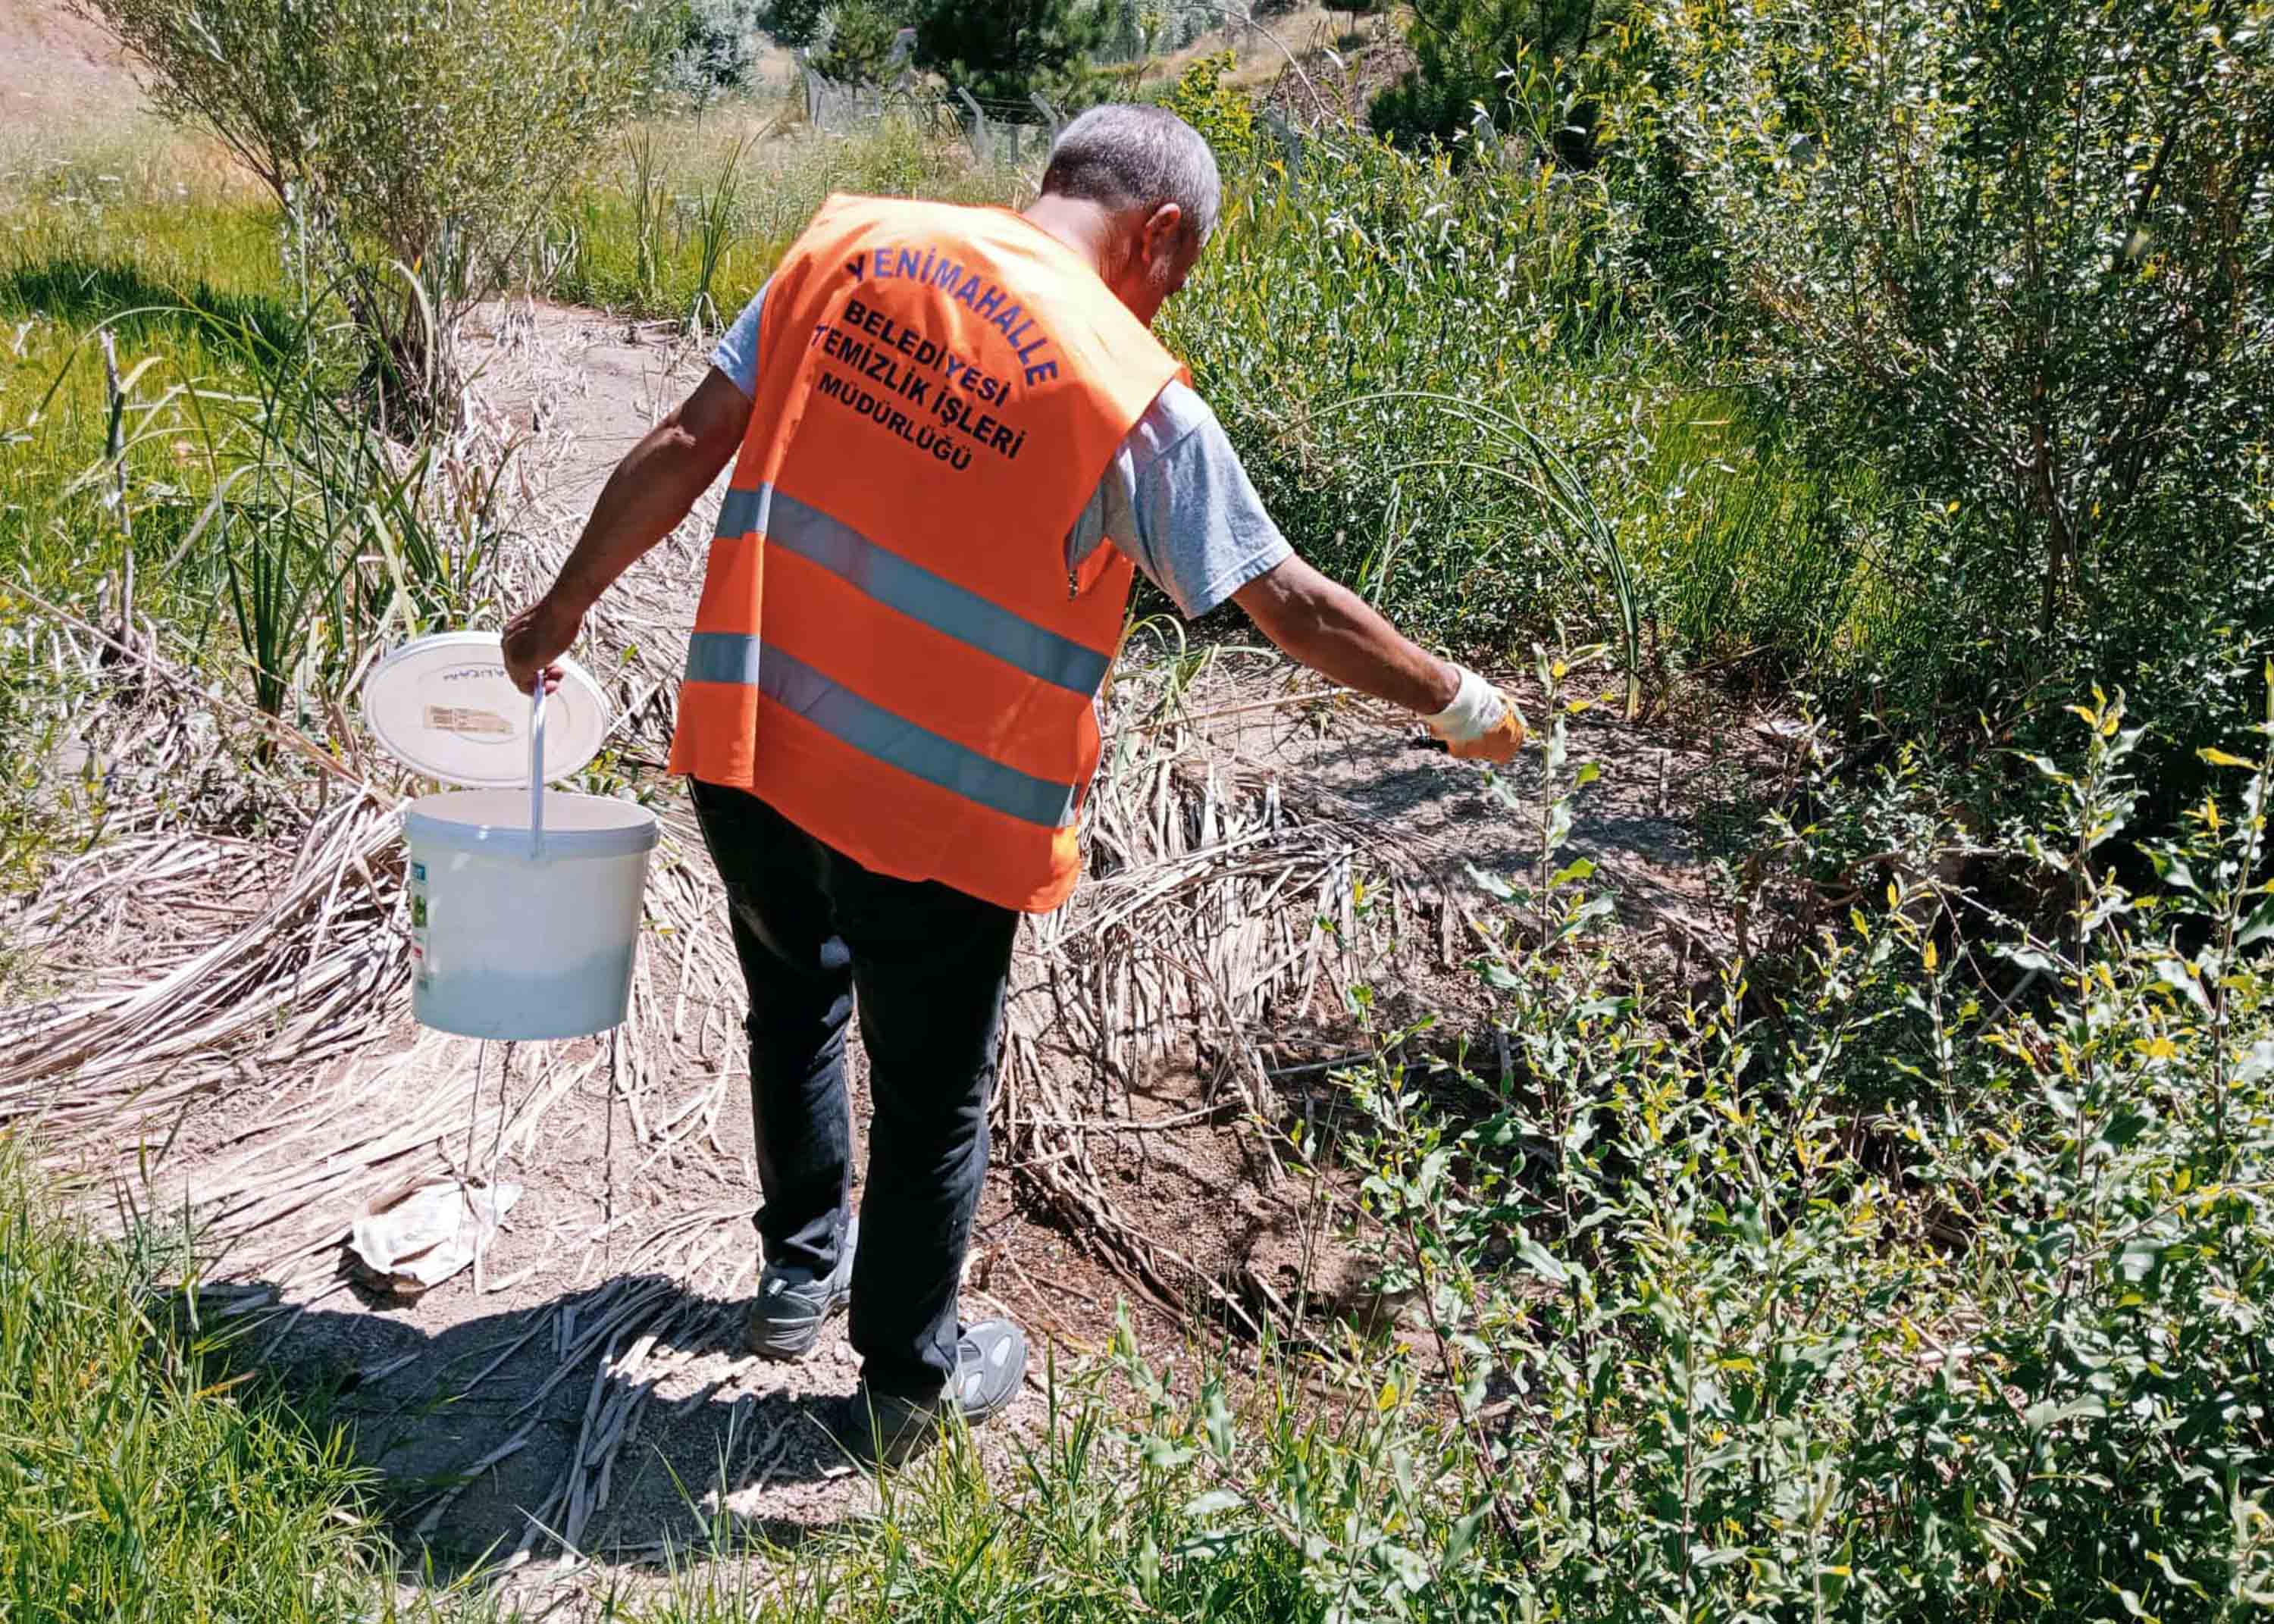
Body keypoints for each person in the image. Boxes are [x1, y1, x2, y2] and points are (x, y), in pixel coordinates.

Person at [502, 105, 1524, 1466]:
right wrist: (1459, 702)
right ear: (1158, 234)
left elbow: (687, 449)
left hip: (749, 752)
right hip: (934, 813)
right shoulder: (1130, 393)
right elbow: (1285, 601)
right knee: (933, 1093)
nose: (1170, 296)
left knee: (794, 997)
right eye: (1183, 270)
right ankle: (905, 1373)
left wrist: (558, 612)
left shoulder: (848, 246)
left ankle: (800, 1273)